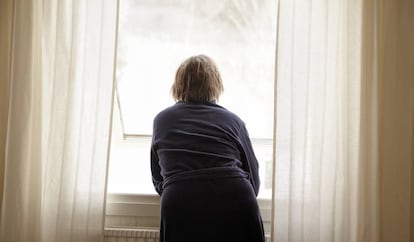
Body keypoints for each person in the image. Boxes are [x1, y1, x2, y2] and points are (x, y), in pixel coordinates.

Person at [151, 55, 265, 242]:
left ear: (178, 85)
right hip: (235, 196)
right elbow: (254, 179)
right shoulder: (234, 122)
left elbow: (158, 178)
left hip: (181, 201)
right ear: (215, 84)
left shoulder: (162, 121)